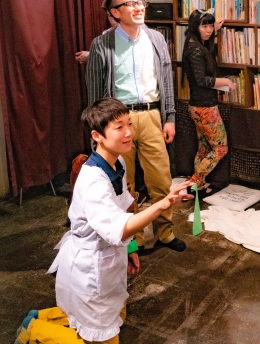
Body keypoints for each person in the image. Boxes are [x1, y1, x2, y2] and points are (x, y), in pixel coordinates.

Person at [44, 98, 191, 343]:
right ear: (97, 136)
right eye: (119, 127)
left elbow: (123, 209)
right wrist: (162, 204)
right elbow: (119, 228)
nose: (129, 132)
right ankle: (36, 329)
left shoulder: (118, 162)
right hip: (90, 268)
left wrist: (130, 247)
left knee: (115, 316)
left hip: (110, 260)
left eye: (129, 124)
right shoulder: (93, 180)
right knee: (99, 334)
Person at [86, 0, 185, 252]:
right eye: (131, 4)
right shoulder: (101, 44)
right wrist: (100, 131)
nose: (139, 7)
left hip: (152, 115)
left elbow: (166, 81)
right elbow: (94, 94)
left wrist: (170, 117)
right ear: (115, 12)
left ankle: (165, 232)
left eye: (140, 2)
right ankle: (132, 240)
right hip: (118, 119)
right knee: (124, 183)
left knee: (161, 179)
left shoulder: (156, 39)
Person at [182, 9, 234, 195]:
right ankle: (194, 182)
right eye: (204, 26)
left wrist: (215, 29)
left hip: (197, 105)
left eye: (211, 26)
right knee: (220, 148)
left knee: (204, 148)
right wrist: (225, 82)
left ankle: (198, 185)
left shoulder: (193, 42)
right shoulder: (195, 49)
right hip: (205, 107)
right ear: (195, 27)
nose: (209, 30)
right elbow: (201, 80)